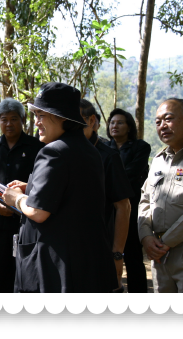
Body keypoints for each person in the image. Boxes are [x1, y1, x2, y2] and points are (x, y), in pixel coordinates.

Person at [3, 82, 117, 293]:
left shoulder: (53, 152)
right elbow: (74, 193)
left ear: (63, 117)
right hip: (88, 265)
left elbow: (38, 212)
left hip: (58, 269)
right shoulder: (89, 150)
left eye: (41, 115)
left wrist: (16, 198)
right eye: (35, 114)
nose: (36, 122)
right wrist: (32, 188)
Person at [0, 98, 44, 293]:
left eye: (14, 119)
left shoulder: (36, 146)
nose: (8, 124)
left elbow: (41, 181)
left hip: (27, 220)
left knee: (27, 270)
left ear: (23, 119)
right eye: (4, 119)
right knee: (1, 272)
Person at [138, 98, 183, 293]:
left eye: (168, 119)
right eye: (158, 122)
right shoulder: (159, 160)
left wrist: (166, 242)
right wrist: (145, 237)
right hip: (158, 255)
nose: (162, 126)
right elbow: (145, 199)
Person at [80, 99, 133, 292]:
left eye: (76, 122)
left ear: (92, 120)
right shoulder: (60, 152)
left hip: (100, 250)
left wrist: (117, 254)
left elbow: (123, 206)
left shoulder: (108, 156)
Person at [105, 108, 151, 293]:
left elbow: (131, 175)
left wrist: (108, 180)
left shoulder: (141, 147)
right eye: (112, 122)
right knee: (107, 255)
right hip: (107, 210)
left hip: (131, 210)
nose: (115, 126)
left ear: (129, 126)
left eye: (120, 122)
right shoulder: (103, 147)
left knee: (133, 256)